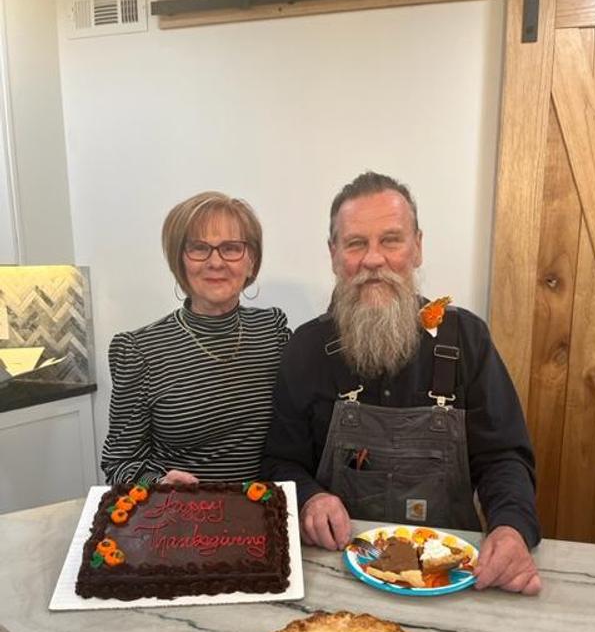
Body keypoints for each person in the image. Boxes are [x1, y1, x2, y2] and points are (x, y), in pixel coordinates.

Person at [262, 171, 542, 595]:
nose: (373, 259)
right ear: (334, 254)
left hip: (450, 573)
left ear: (417, 247)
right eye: (356, 243)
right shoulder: (306, 348)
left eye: (390, 240)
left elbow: (504, 458)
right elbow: (279, 463)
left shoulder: (466, 338)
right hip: (337, 574)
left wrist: (511, 528)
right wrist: (309, 499)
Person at [102, 190, 290, 487]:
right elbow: (119, 463)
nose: (215, 262)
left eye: (231, 248)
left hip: (265, 515)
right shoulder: (139, 351)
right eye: (199, 248)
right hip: (182, 520)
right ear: (181, 262)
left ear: (251, 262)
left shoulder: (273, 331)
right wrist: (158, 483)